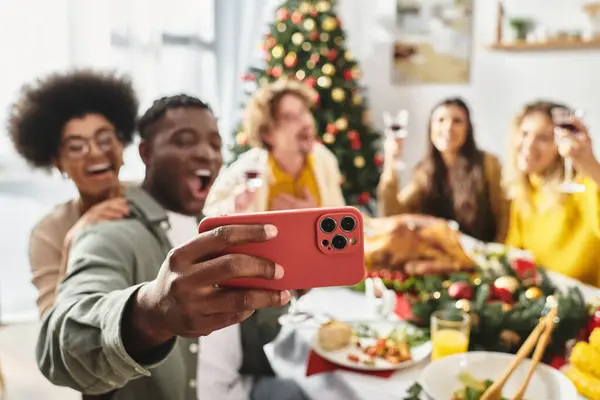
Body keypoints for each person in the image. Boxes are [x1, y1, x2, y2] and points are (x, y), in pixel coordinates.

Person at [36, 95, 306, 400]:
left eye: (215, 145)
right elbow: (57, 349)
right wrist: (148, 315)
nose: (206, 154)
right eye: (184, 141)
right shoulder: (110, 232)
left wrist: (286, 288)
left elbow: (255, 339)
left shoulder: (219, 230)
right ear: (147, 152)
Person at [7, 69, 137, 318]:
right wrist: (76, 239)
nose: (95, 152)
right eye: (76, 147)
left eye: (105, 139)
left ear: (122, 144)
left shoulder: (155, 198)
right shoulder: (49, 233)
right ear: (57, 161)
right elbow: (51, 327)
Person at [203, 79, 344, 216]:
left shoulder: (324, 159)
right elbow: (209, 209)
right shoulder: (249, 168)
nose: (305, 122)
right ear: (268, 135)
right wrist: (233, 205)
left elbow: (341, 216)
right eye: (289, 118)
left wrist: (316, 213)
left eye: (304, 111)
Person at [376, 97, 508, 243]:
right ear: (431, 128)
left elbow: (504, 216)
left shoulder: (488, 163)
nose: (448, 127)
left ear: (468, 129)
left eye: (457, 121)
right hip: (437, 257)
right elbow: (393, 215)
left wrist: (496, 256)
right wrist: (391, 164)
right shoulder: (425, 171)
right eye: (440, 120)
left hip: (480, 257)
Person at [504, 100, 600, 287]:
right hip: (536, 296)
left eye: (543, 138)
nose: (529, 145)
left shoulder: (582, 185)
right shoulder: (526, 185)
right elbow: (515, 250)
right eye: (524, 133)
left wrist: (590, 163)